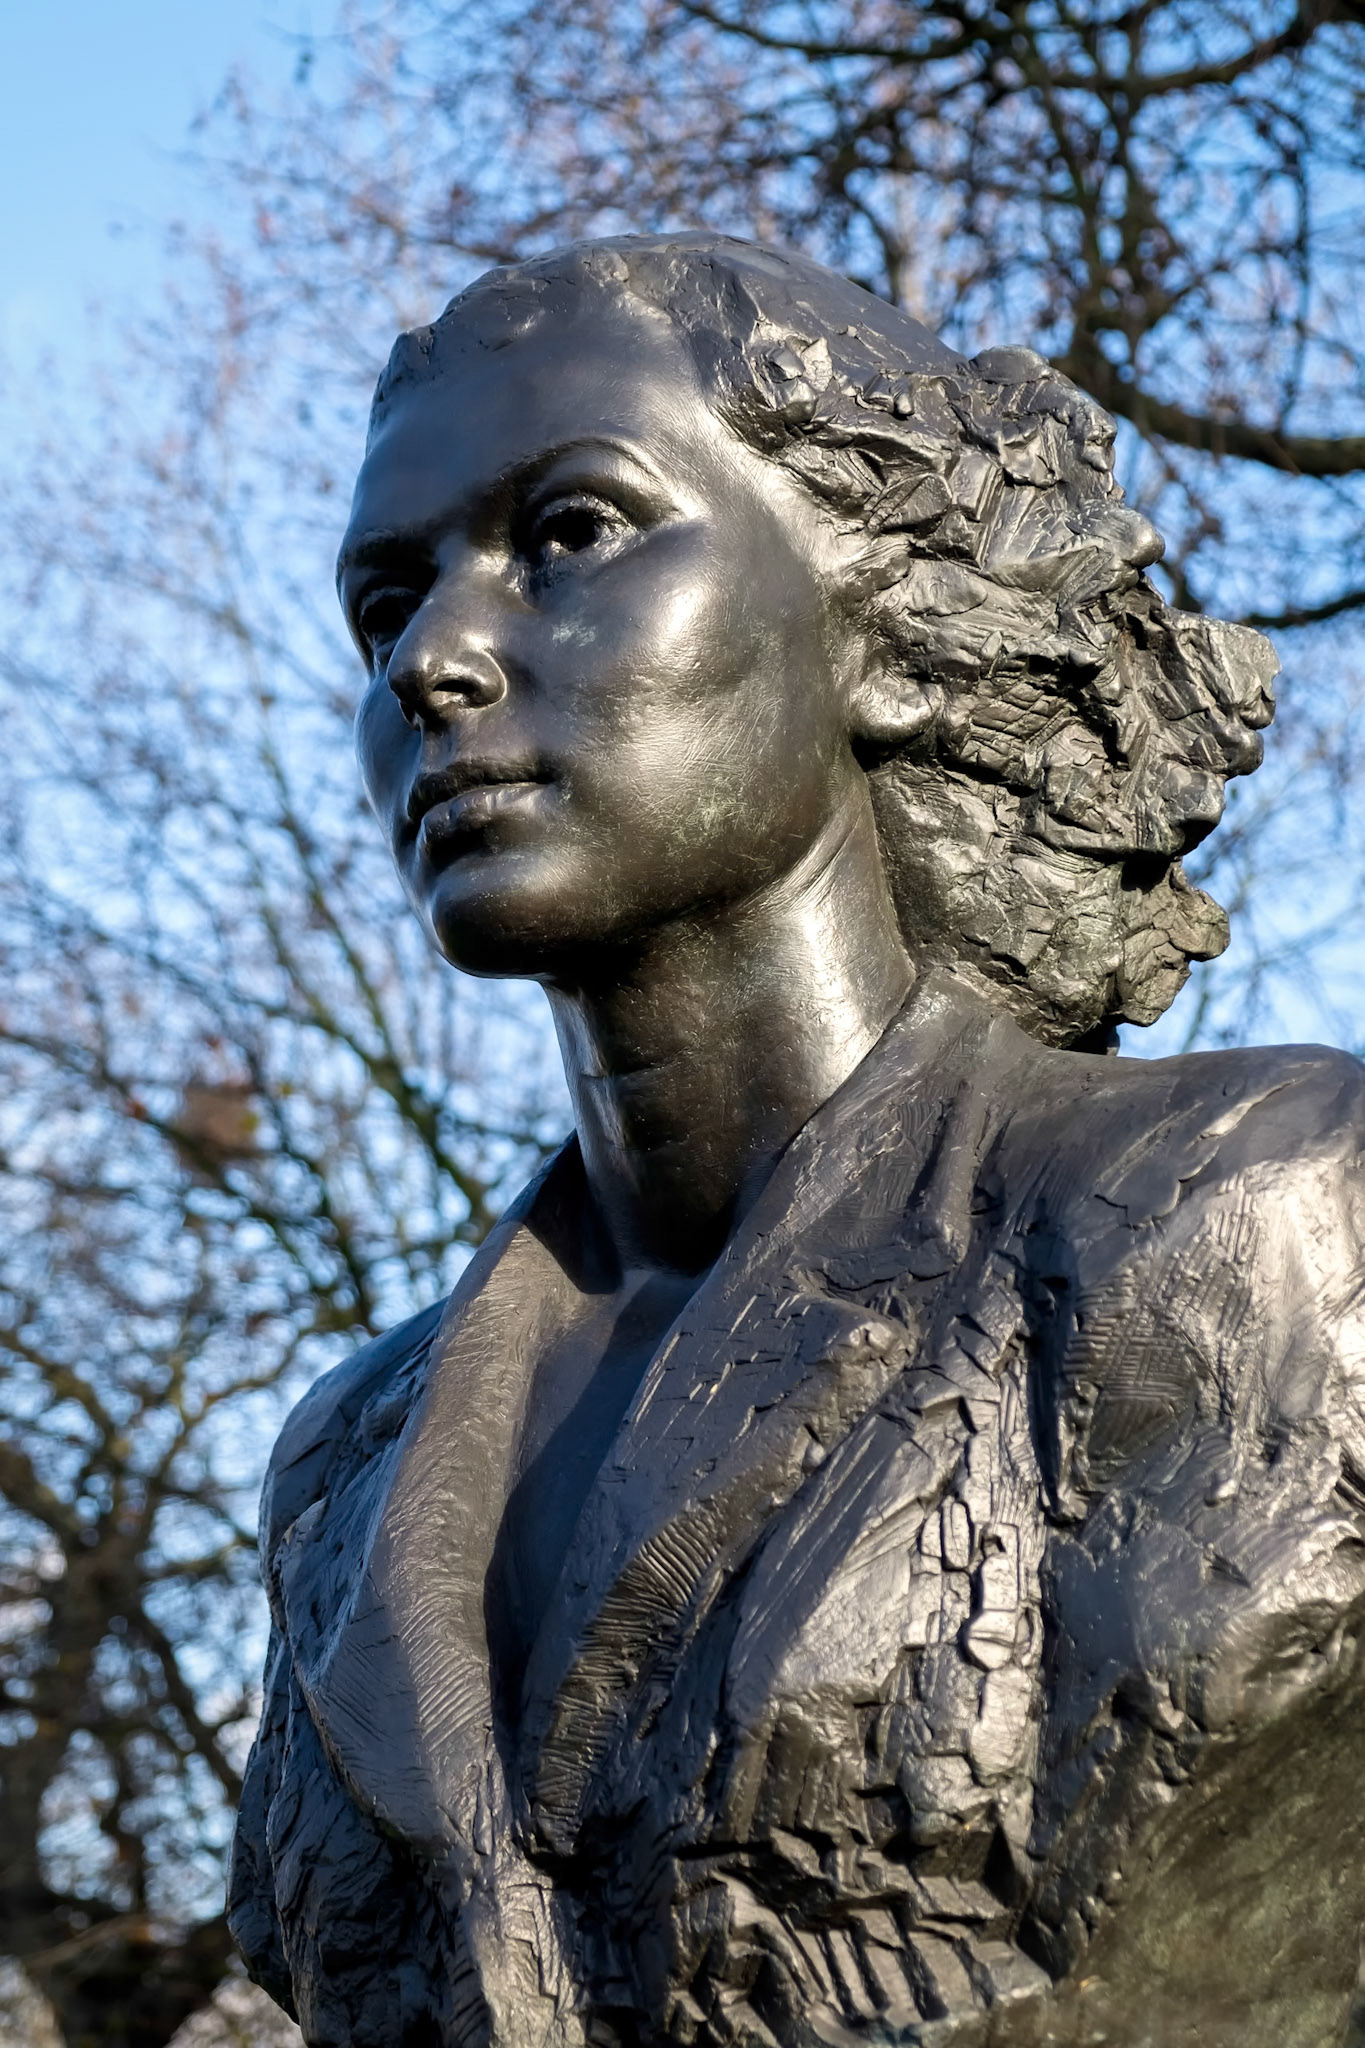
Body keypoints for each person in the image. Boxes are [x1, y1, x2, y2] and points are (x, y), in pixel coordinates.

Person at [228, 236, 1365, 2048]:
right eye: (385, 607)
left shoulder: (1240, 1213)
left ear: (883, 627)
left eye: (572, 532)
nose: (434, 659)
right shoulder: (344, 1468)